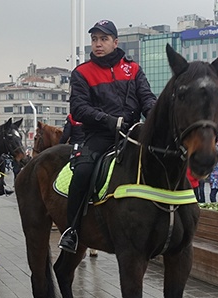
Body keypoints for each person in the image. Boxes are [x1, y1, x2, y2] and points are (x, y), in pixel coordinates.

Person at [58, 20, 156, 253]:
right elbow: (78, 108)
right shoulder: (82, 73)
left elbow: (147, 99)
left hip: (134, 133)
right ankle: (72, 231)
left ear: (115, 42)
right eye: (94, 39)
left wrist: (156, 119)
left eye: (103, 39)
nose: (98, 44)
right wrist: (109, 121)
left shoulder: (133, 69)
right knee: (82, 171)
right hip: (100, 136)